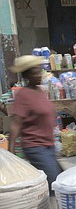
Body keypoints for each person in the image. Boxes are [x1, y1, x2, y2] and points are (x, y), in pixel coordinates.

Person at [8, 55, 62, 193]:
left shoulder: (39, 91)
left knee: (60, 179)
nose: (39, 75)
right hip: (35, 146)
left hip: (49, 144)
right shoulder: (23, 95)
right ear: (27, 76)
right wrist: (11, 151)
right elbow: (16, 123)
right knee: (54, 182)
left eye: (40, 71)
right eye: (35, 73)